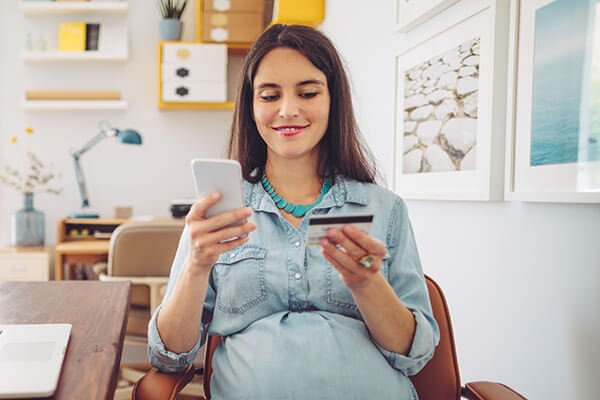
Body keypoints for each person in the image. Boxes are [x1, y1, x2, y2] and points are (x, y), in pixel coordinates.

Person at [148, 24, 439, 399]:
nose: (288, 110)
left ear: (333, 100)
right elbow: (168, 355)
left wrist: (368, 284)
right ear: (252, 107)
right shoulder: (218, 214)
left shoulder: (385, 209)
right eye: (269, 96)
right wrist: (196, 266)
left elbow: (414, 356)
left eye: (308, 92)